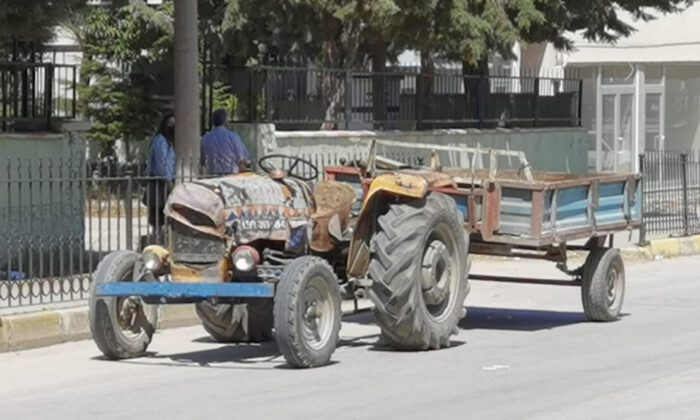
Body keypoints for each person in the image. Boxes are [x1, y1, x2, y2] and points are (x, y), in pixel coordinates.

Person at [145, 113, 176, 233]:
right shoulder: (161, 141)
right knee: (159, 212)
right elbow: (160, 163)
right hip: (160, 182)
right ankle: (157, 235)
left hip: (167, 180)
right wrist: (167, 181)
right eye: (169, 124)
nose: (171, 127)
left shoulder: (169, 142)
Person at [201, 109, 250, 176]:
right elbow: (242, 159)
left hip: (212, 175)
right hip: (231, 174)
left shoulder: (205, 138)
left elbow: (203, 161)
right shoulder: (233, 136)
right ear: (226, 121)